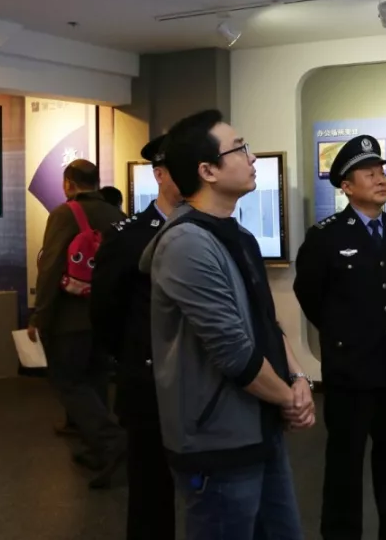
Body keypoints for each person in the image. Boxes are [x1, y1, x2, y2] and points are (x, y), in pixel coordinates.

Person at [141, 110, 313, 540]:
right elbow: (233, 351)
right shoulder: (186, 244)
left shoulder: (239, 235)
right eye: (240, 149)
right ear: (208, 171)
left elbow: (267, 323)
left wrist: (298, 379)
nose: (252, 157)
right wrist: (289, 400)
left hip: (259, 426)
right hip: (217, 441)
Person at [294, 135, 386, 540]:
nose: (380, 179)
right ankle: (341, 532)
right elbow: (310, 295)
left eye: (381, 172)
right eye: (368, 173)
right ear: (347, 186)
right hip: (351, 367)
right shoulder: (326, 236)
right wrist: (345, 335)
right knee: (346, 457)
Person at [90, 136, 181, 540]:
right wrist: (135, 357)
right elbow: (106, 312)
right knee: (150, 497)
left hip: (202, 386)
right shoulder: (128, 236)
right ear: (159, 175)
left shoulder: (210, 228)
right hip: (149, 384)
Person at [28, 159, 127, 488]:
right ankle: (97, 449)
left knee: (67, 381)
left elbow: (51, 266)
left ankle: (110, 440)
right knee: (96, 379)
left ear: (68, 183)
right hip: (107, 316)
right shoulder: (117, 215)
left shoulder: (64, 214)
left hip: (71, 317)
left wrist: (40, 315)